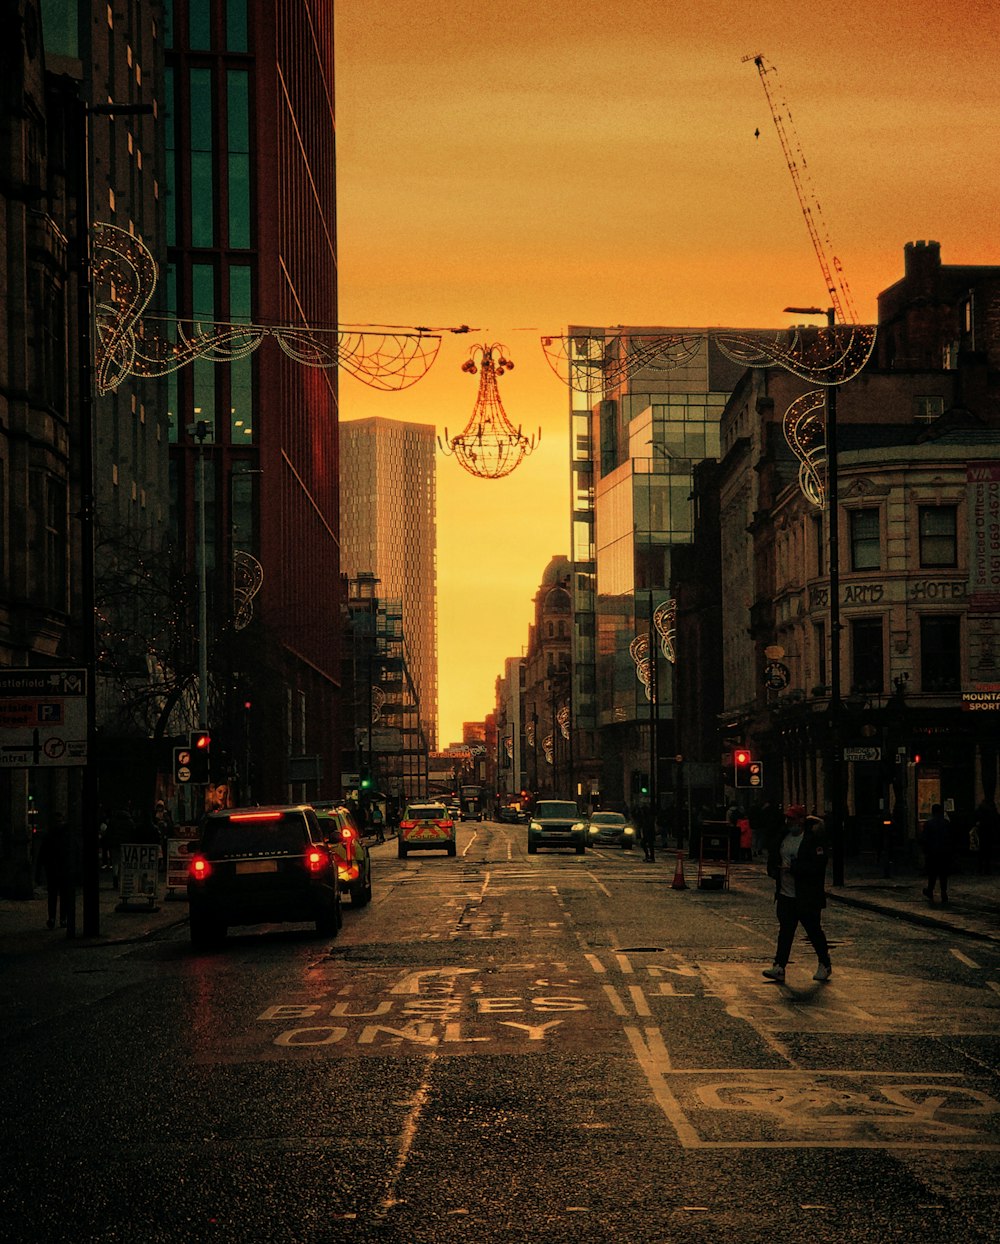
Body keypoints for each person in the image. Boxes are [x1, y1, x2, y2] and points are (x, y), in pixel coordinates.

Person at [762, 804, 832, 984]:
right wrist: (773, 869)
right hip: (786, 894)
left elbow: (817, 866)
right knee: (785, 932)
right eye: (787, 818)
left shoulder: (812, 840)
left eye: (792, 818)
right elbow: (774, 856)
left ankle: (825, 963)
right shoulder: (783, 838)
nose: (789, 822)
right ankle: (779, 966)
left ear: (802, 820)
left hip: (806, 896)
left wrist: (793, 868)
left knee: (813, 931)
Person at [36, 817, 73, 930]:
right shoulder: (66, 836)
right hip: (64, 870)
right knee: (64, 896)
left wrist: (39, 871)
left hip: (52, 870)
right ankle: (63, 919)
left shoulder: (48, 836)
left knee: (52, 896)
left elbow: (42, 855)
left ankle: (52, 918)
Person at [921, 802, 952, 903]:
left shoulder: (929, 824)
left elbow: (924, 839)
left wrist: (925, 850)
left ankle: (930, 890)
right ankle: (943, 892)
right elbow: (951, 838)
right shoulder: (946, 823)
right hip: (944, 852)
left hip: (932, 852)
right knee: (943, 874)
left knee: (932, 873)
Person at [973, 798, 997, 875]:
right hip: (989, 833)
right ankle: (987, 869)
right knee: (988, 853)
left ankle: (980, 869)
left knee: (980, 853)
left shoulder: (979, 810)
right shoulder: (992, 811)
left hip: (981, 833)